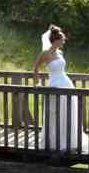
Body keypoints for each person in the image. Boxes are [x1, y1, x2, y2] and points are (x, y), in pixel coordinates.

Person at [33, 24, 83, 152]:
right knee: (54, 112)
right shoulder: (45, 53)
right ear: (56, 40)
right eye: (62, 40)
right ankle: (54, 142)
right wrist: (37, 83)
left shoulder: (60, 52)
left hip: (65, 82)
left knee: (69, 110)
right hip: (54, 83)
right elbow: (36, 68)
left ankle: (69, 141)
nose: (64, 42)